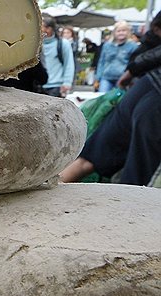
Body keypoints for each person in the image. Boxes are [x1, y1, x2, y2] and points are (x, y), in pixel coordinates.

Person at [61, 12, 161, 186]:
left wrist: (132, 70)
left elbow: (144, 48)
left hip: (143, 86)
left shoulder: (139, 43)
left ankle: (41, 195)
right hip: (149, 91)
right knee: (139, 175)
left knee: (91, 156)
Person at [96, 21, 139, 92]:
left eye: (124, 31)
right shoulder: (107, 45)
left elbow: (134, 63)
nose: (121, 33)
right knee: (103, 97)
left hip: (123, 78)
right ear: (114, 32)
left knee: (119, 100)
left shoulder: (133, 46)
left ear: (128, 32)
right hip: (106, 77)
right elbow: (101, 61)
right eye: (118, 31)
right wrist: (98, 77)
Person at [40, 15, 74, 97]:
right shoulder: (34, 44)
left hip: (55, 86)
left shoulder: (63, 44)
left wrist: (67, 83)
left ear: (49, 29)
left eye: (41, 26)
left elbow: (69, 64)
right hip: (38, 86)